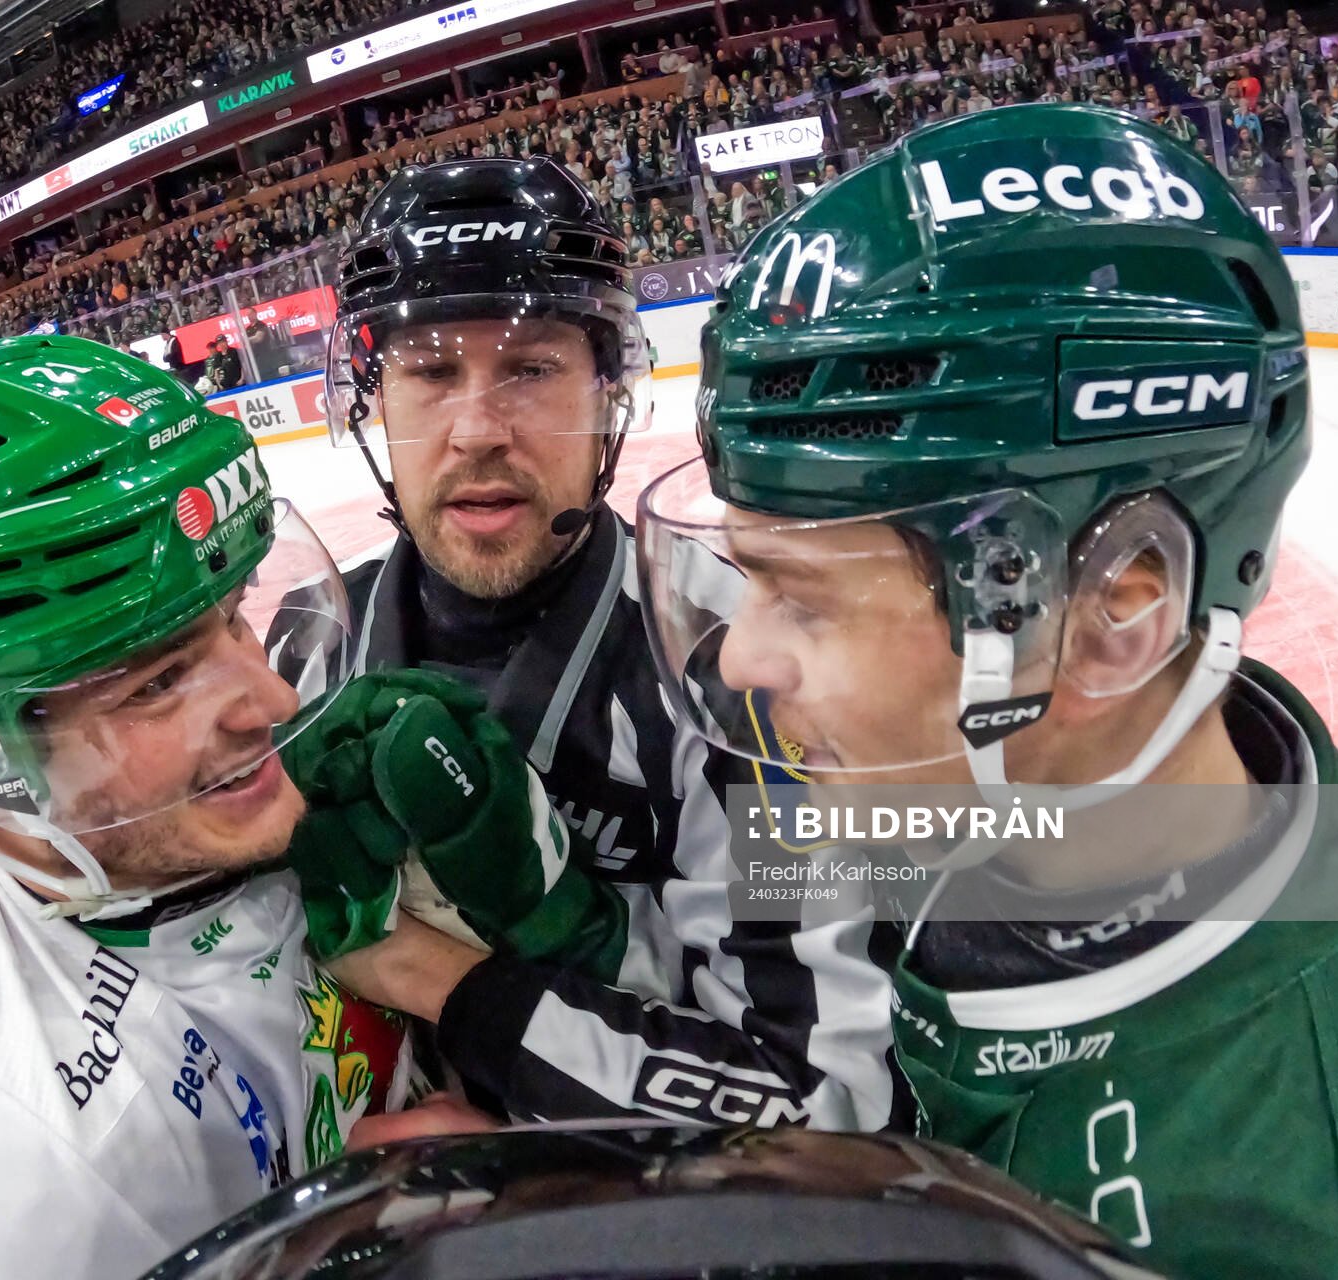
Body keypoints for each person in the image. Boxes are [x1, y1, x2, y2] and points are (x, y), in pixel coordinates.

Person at [634, 102, 1338, 1278]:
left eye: (806, 592)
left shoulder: (1294, 1218)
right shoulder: (990, 801)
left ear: (1111, 613)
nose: (740, 658)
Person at [0, 336, 419, 1280]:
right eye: (158, 683)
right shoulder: (21, 1203)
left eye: (235, 616)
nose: (275, 703)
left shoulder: (146, 835)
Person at [285, 156, 894, 1130]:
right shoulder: (303, 648)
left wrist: (451, 984)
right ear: (375, 399)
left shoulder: (743, 671)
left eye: (531, 367)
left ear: (607, 390)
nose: (477, 427)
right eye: (431, 370)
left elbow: (825, 1104)